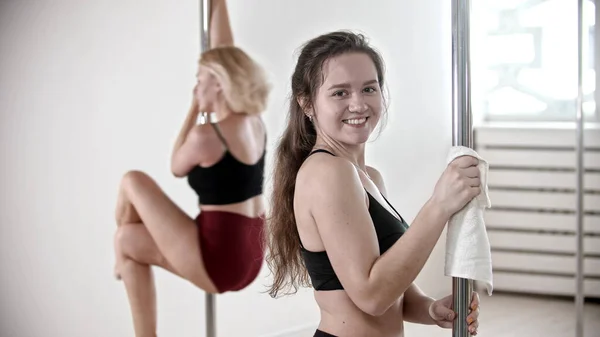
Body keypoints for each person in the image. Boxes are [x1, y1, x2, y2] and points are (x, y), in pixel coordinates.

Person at [266, 31, 481, 337]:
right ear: (307, 103)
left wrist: (431, 309)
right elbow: (372, 296)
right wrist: (439, 206)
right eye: (340, 93)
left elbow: (394, 292)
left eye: (369, 88)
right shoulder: (328, 172)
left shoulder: (368, 177)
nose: (358, 104)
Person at [112, 0, 270, 335]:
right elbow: (225, 50)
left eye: (200, 79)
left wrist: (194, 108)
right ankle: (122, 252)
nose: (196, 86)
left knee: (132, 181)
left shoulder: (205, 136)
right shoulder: (254, 122)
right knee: (127, 239)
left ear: (218, 83)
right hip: (252, 253)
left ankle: (123, 265)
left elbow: (175, 166)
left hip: (220, 260)